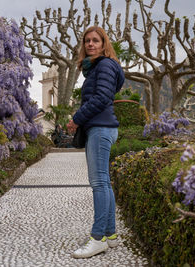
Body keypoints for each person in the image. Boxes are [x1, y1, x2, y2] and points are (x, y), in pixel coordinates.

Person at [66, 26, 125, 259]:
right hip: (102, 128)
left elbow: (102, 98)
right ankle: (110, 235)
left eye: (95, 40)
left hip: (101, 129)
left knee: (99, 183)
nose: (90, 44)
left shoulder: (105, 65)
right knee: (105, 183)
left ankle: (97, 238)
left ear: (104, 44)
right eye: (87, 41)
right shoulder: (95, 69)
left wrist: (76, 119)